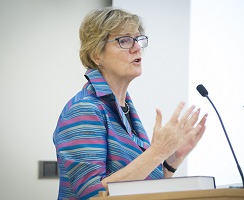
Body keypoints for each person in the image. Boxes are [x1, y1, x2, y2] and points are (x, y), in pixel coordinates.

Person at [53, 7, 208, 200]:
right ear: (96, 55)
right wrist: (157, 152)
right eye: (124, 40)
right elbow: (91, 194)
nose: (137, 48)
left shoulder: (124, 109)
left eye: (138, 39)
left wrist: (171, 159)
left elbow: (140, 184)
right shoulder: (84, 110)